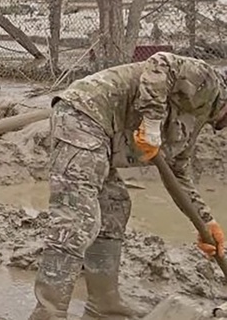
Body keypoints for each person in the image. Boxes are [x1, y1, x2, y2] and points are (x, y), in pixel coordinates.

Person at [30, 51, 227, 319]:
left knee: (114, 207)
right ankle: (48, 313)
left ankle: (103, 306)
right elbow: (160, 62)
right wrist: (152, 123)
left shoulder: (198, 119)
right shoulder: (209, 82)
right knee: (77, 218)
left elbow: (178, 173)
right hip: (84, 114)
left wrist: (207, 221)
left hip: (103, 134)